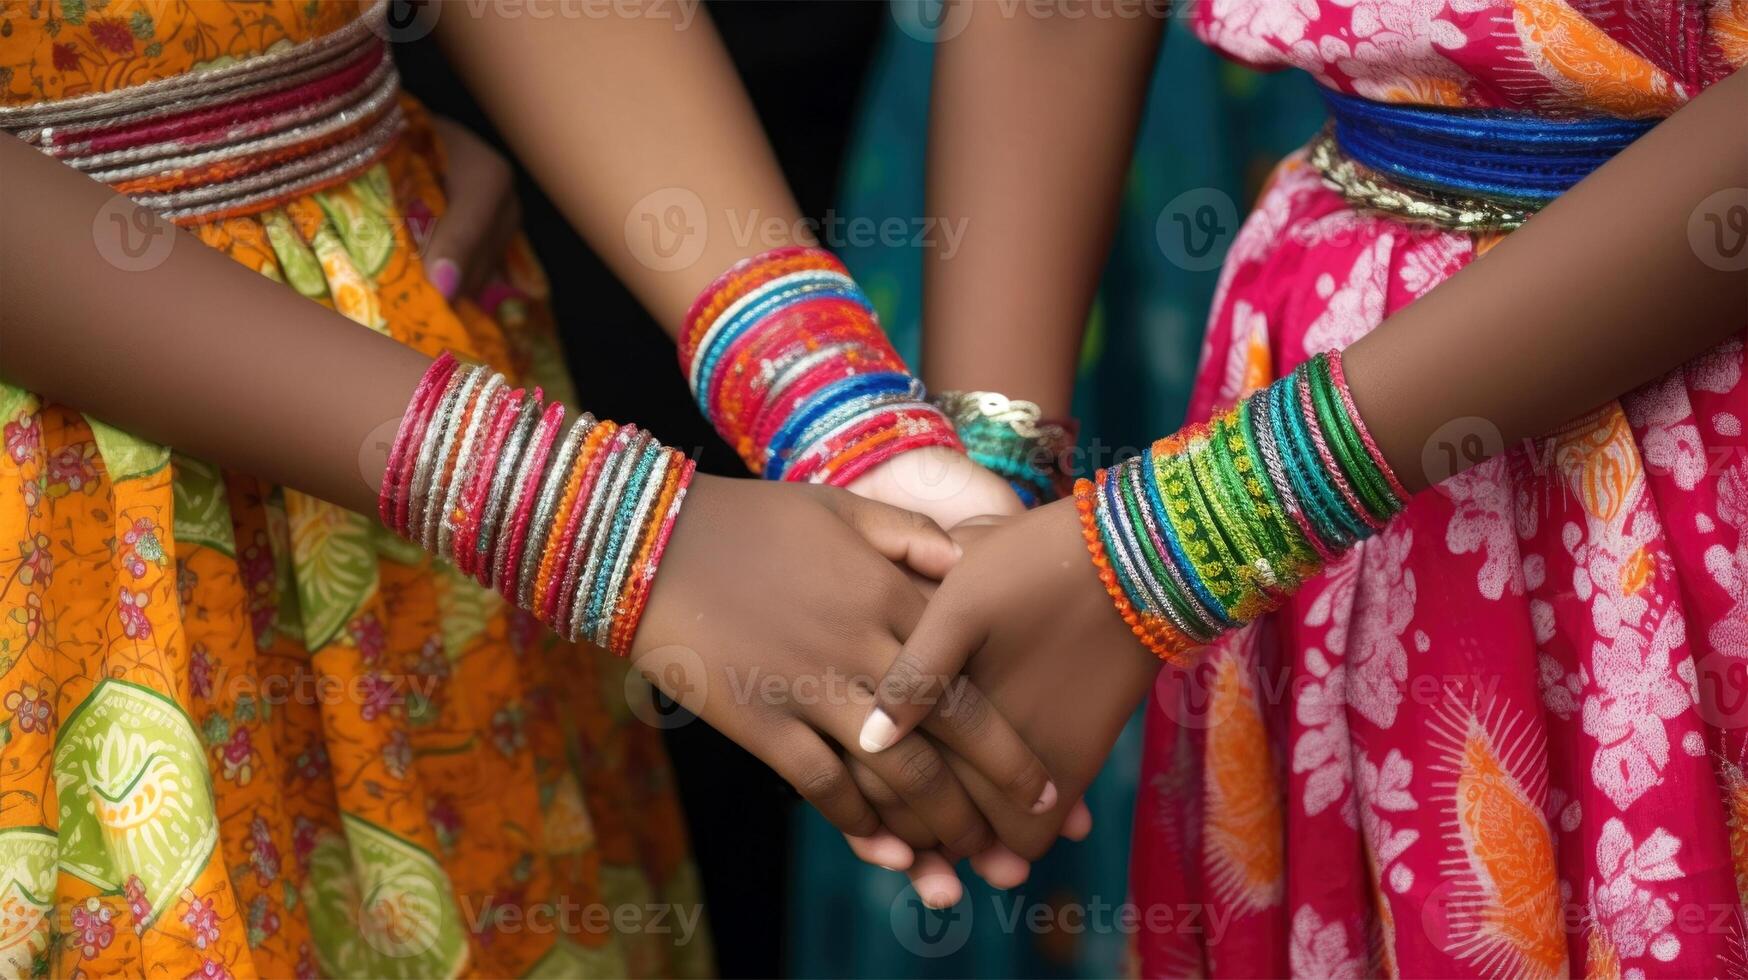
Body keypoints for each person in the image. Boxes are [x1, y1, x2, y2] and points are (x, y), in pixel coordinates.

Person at [0, 1, 1066, 973]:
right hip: (69, 533)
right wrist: (624, 533)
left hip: (427, 488)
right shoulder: (585, 528)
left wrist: (843, 418)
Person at [856, 3, 1748, 975]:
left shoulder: (1199, 530)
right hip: (1308, 418)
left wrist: (1183, 536)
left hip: (1692, 439)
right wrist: (989, 490)